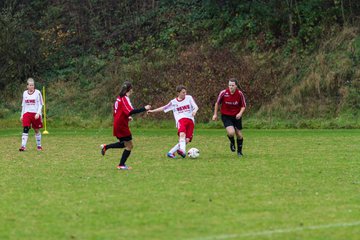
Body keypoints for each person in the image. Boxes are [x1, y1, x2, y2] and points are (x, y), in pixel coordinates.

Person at [100, 81, 151, 170]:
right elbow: (130, 111)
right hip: (121, 125)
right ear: (130, 89)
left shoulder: (119, 97)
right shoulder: (124, 98)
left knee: (125, 144)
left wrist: (127, 118)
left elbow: (119, 111)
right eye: (132, 89)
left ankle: (106, 147)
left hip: (118, 123)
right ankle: (121, 165)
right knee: (129, 145)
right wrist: (144, 108)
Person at [148, 85, 199, 158]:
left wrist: (194, 111)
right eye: (183, 92)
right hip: (181, 120)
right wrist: (152, 111)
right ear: (178, 93)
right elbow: (164, 108)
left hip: (190, 121)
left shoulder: (189, 98)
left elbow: (196, 106)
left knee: (186, 140)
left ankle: (170, 152)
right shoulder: (173, 102)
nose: (185, 94)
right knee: (182, 135)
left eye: (185, 92)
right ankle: (183, 151)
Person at [212, 78, 246, 157]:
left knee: (239, 135)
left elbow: (243, 106)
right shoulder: (223, 93)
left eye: (232, 85)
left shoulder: (240, 94)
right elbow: (217, 103)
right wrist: (215, 114)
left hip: (236, 116)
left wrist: (240, 113)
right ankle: (232, 143)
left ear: (236, 86)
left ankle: (239, 152)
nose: (231, 87)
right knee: (231, 132)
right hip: (226, 116)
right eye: (229, 85)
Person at [19, 78, 44, 151]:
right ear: (27, 86)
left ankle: (39, 146)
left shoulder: (38, 92)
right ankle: (23, 146)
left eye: (32, 85)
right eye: (30, 85)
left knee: (36, 130)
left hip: (35, 114)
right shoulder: (25, 93)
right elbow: (23, 105)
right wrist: (22, 115)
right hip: (27, 113)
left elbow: (41, 104)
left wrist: (38, 113)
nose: (31, 87)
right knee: (25, 128)